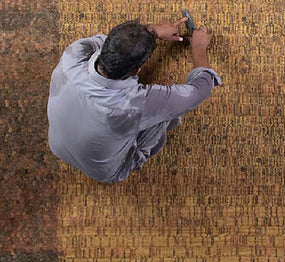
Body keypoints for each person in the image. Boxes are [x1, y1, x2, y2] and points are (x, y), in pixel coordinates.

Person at [47, 17, 221, 184]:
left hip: (57, 147)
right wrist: (199, 48)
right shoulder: (133, 106)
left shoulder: (76, 52)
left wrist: (152, 32)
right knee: (164, 114)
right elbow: (200, 91)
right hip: (106, 173)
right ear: (137, 70)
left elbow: (112, 43)